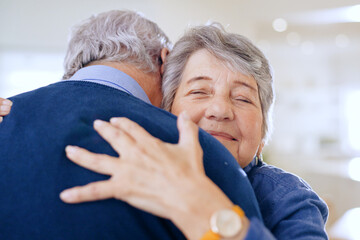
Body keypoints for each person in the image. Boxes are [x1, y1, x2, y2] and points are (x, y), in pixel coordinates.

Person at [0, 10, 262, 240]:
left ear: (72, 69)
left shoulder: (5, 119)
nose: (218, 110)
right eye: (198, 91)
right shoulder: (198, 154)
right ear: (165, 62)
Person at [51, 24, 329, 239]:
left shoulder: (288, 198)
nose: (220, 110)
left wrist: (204, 209)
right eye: (199, 91)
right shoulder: (131, 163)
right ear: (164, 110)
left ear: (264, 133)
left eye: (243, 98)